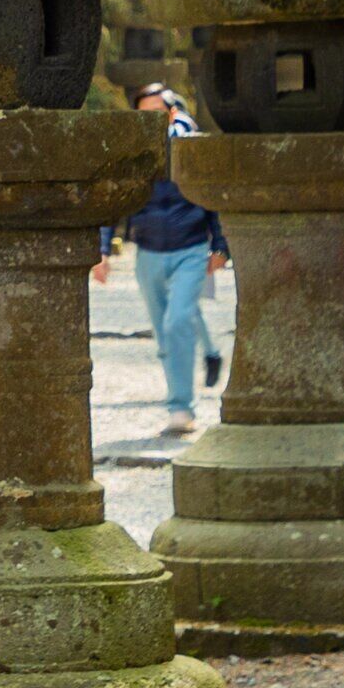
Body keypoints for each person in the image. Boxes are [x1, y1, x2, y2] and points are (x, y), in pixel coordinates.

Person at [93, 82, 229, 435]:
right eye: (143, 113)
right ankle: (202, 363)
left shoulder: (190, 146)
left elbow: (211, 197)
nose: (150, 119)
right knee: (166, 331)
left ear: (170, 113)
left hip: (191, 248)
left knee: (177, 320)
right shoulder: (130, 154)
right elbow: (113, 202)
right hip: (149, 253)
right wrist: (102, 250)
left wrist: (221, 246)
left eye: (157, 112)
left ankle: (181, 408)